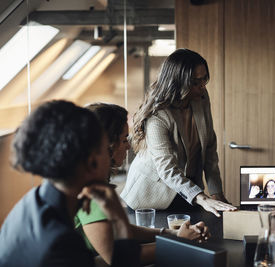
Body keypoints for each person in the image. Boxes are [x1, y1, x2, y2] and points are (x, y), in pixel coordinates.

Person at [0, 100, 140, 267]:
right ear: (92, 161)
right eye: (105, 149)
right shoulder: (62, 244)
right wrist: (119, 219)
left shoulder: (32, 201)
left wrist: (117, 217)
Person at [75, 103, 210, 265]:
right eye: (124, 139)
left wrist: (172, 234)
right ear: (107, 144)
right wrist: (179, 243)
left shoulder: (90, 179)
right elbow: (119, 258)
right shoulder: (90, 191)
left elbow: (120, 231)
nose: (128, 145)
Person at [121, 48, 236, 217]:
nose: (202, 87)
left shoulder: (201, 99)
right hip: (151, 196)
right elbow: (167, 169)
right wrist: (202, 199)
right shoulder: (157, 116)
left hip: (187, 190)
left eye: (204, 80)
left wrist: (216, 193)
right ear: (177, 83)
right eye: (196, 82)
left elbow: (209, 147)